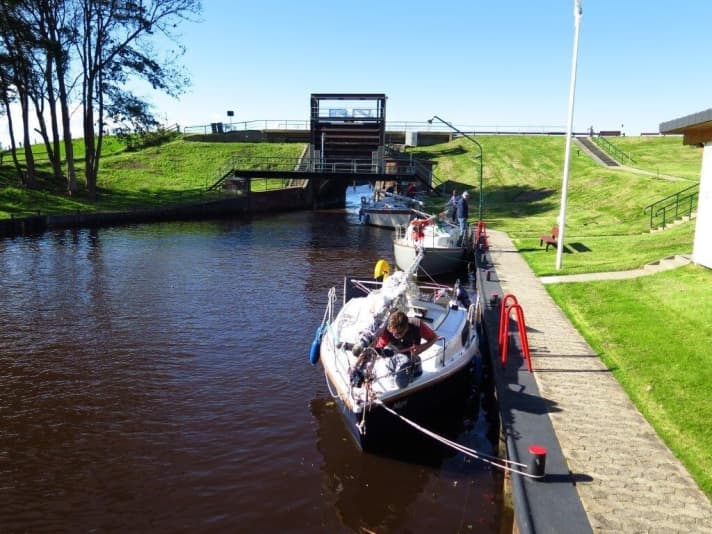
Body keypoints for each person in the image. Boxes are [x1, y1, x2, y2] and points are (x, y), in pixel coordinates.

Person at [375, 310, 440, 359]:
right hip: (395, 356)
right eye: (392, 332)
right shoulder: (386, 332)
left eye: (399, 333)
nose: (395, 335)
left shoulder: (417, 325)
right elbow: (378, 349)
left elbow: (434, 338)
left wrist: (421, 348)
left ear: (407, 327)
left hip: (411, 356)